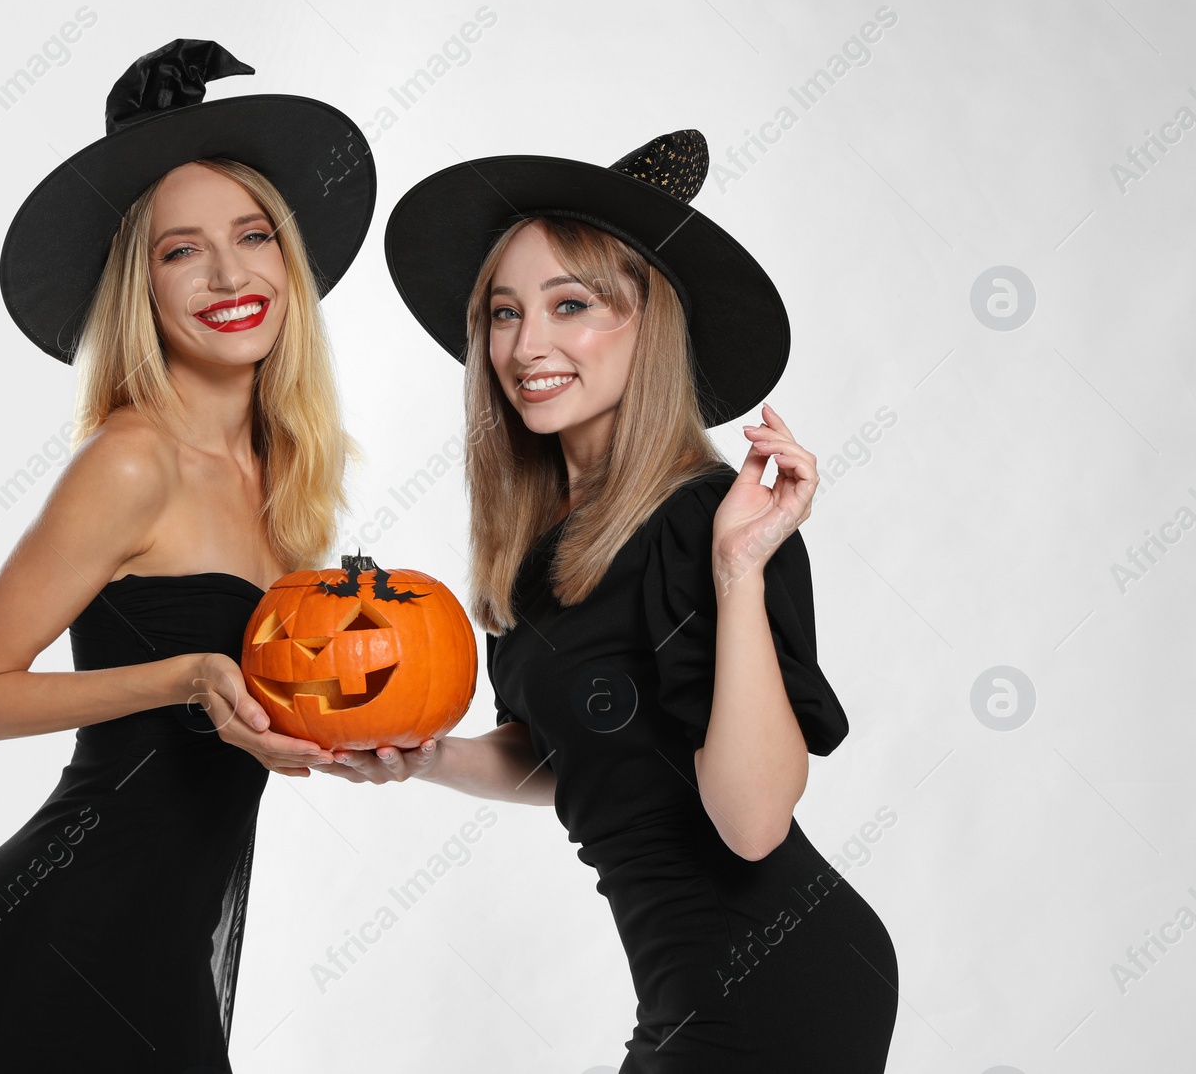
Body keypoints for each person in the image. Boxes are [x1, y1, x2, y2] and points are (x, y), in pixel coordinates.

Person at [324, 131, 898, 1070]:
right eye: (504, 313)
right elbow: (575, 761)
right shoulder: (537, 548)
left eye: (571, 305)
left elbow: (752, 824)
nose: (526, 345)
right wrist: (423, 759)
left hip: (780, 982)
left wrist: (740, 573)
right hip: (684, 990)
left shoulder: (711, 522)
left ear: (649, 326)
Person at [0, 39, 375, 1073]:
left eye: (251, 236)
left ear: (286, 261)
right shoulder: (129, 461)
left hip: (158, 944)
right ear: (141, 286)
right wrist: (184, 676)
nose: (227, 274)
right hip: (52, 940)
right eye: (180, 251)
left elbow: (253, 723)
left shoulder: (286, 476)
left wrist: (358, 734)